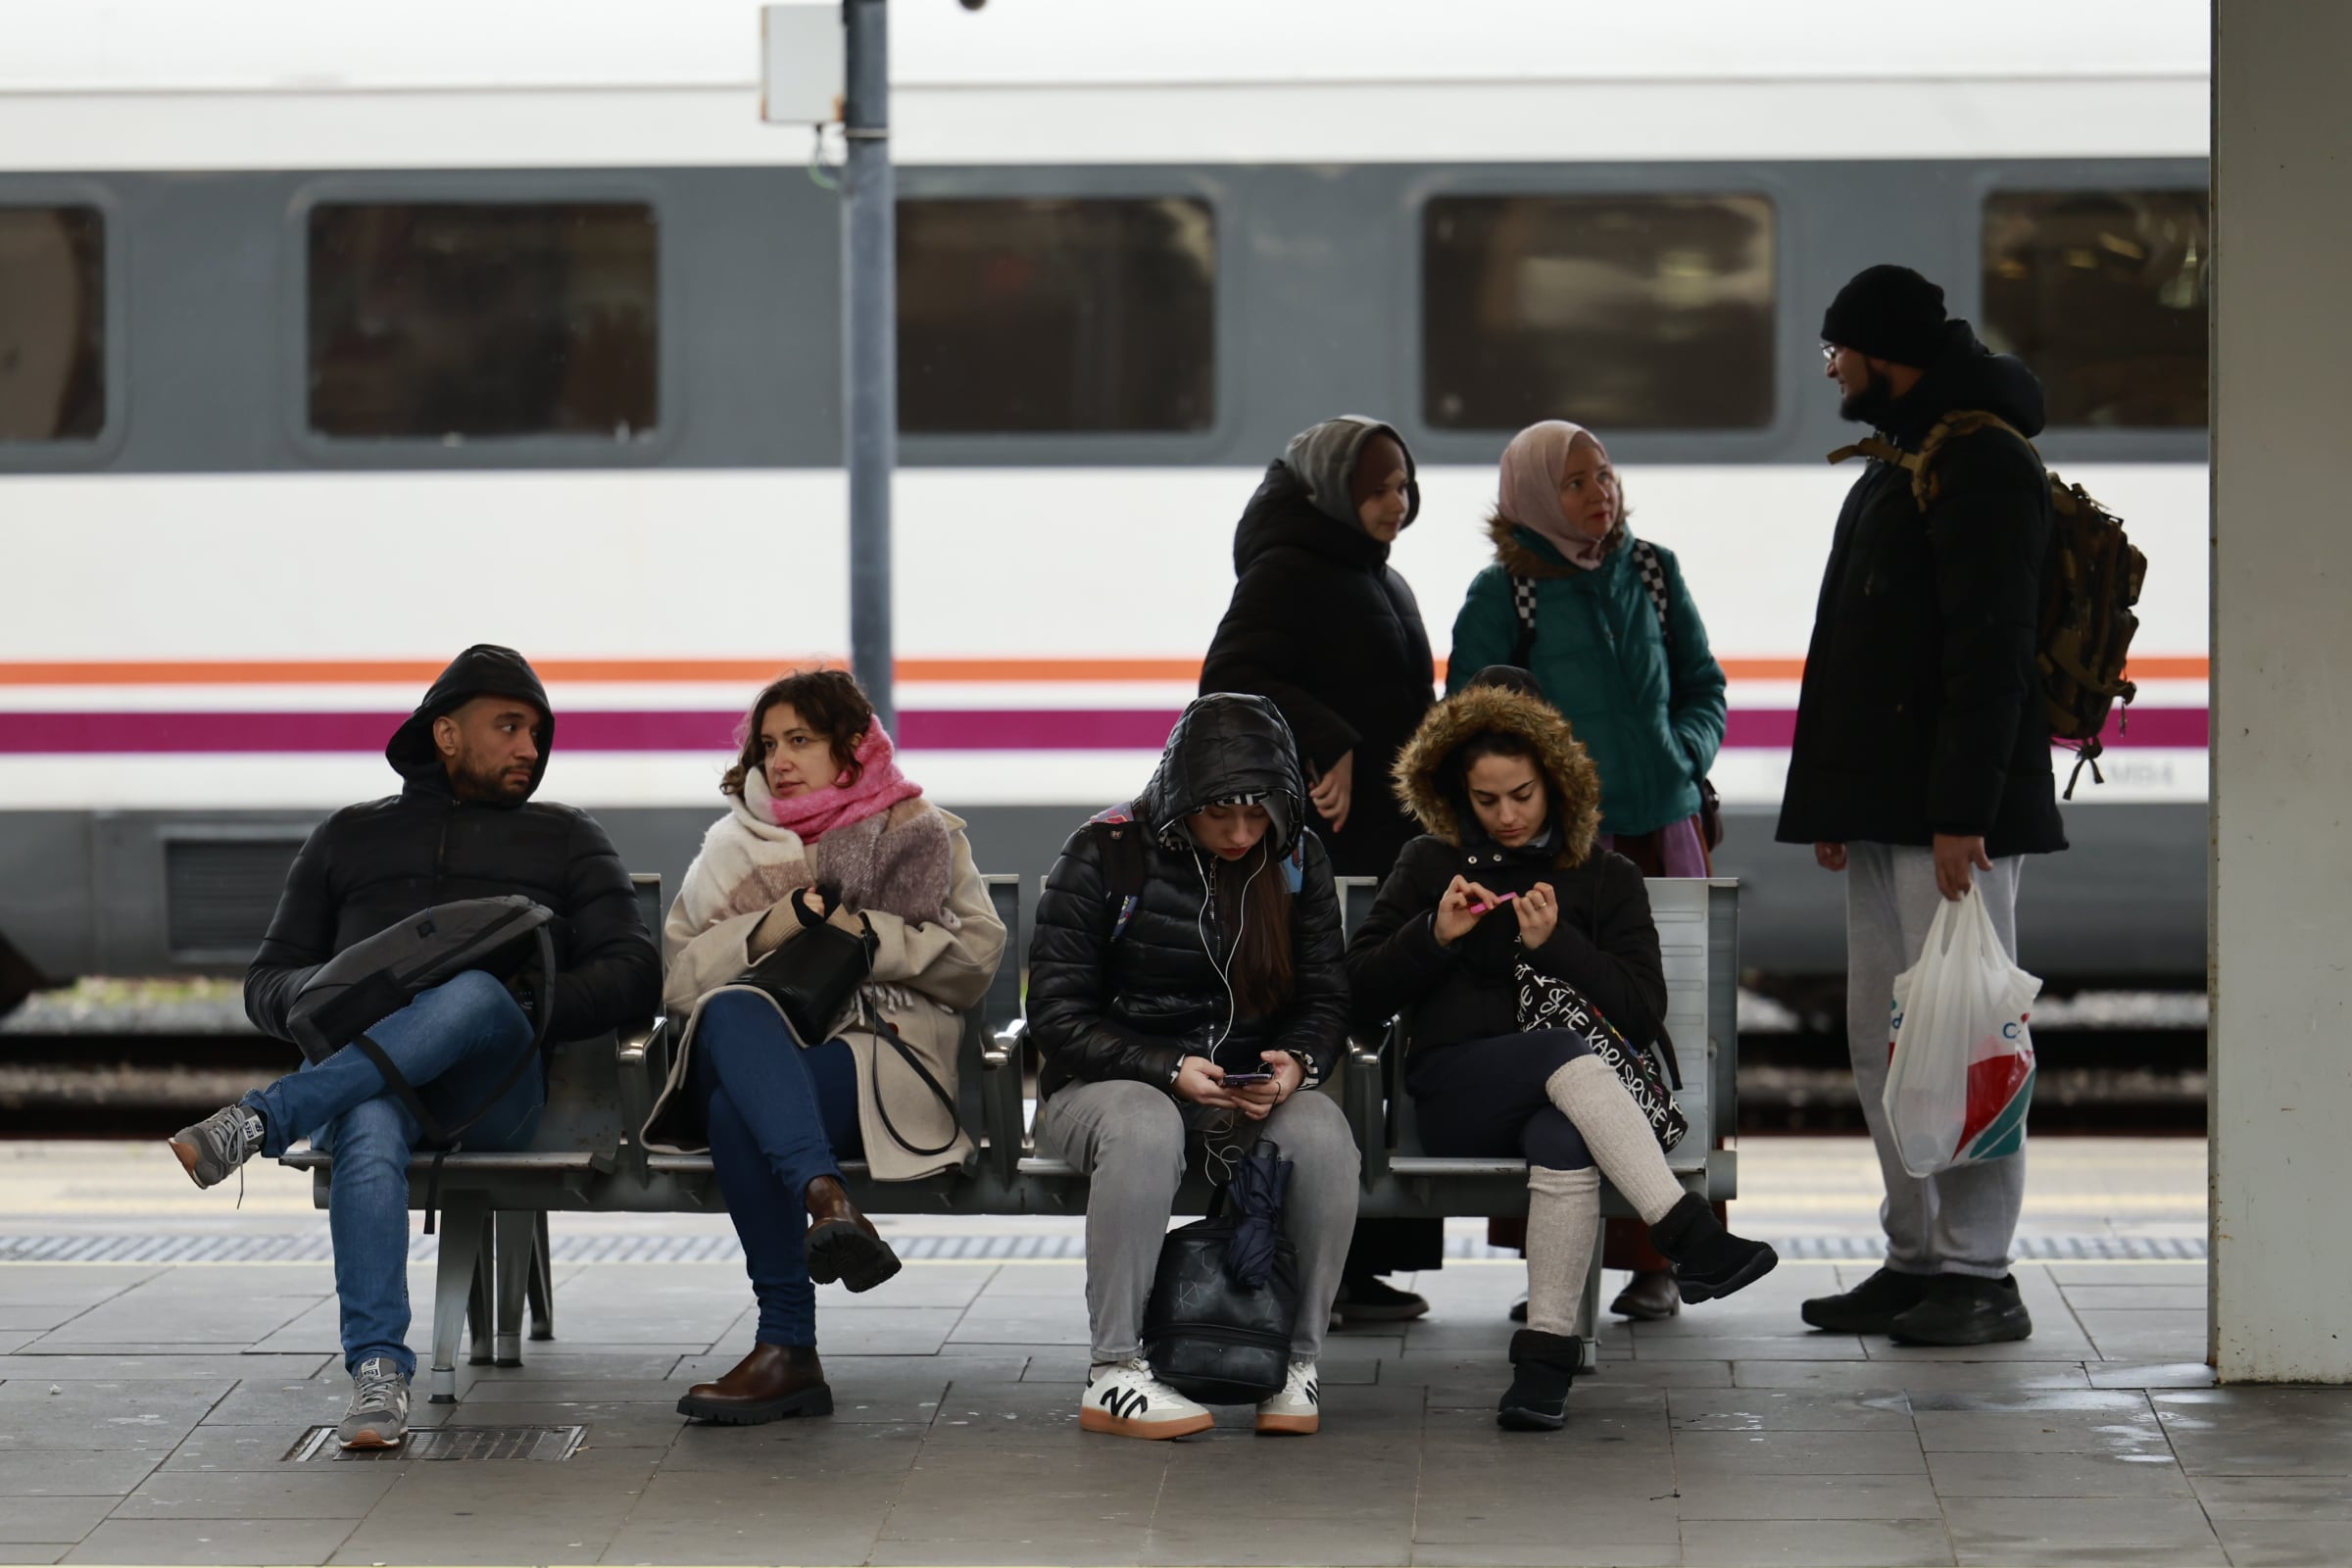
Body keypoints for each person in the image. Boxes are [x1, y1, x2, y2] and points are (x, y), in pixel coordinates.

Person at [169, 645, 660, 1449]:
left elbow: (634, 974)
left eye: (538, 733)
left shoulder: (566, 838)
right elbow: (269, 980)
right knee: (365, 1117)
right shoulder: (348, 839)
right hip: (376, 1090)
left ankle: (262, 1120)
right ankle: (378, 1375)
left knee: (468, 994)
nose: (530, 749)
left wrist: (527, 1004)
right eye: (509, 727)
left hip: (495, 1094)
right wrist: (332, 998)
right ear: (446, 734)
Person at [1346, 671, 1776, 1429]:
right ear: (1458, 793)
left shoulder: (1605, 877)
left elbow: (1643, 1015)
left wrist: (1562, 946)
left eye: (1522, 795)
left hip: (1569, 1100)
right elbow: (1360, 996)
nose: (1506, 816)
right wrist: (1434, 935)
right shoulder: (1427, 863)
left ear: (1555, 782)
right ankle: (1687, 1231)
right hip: (1455, 1097)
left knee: (1566, 1137)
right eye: (1486, 800)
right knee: (1559, 1052)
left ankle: (1543, 1366)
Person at [1781, 264, 2066, 1347]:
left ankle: (1978, 1268)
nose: (1830, 369)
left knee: (1970, 1037)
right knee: (1887, 1037)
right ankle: (1914, 1254)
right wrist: (1841, 805)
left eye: (1837, 351)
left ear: (1882, 352)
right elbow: (1866, 647)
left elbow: (1988, 658)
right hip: (1891, 811)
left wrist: (1962, 813)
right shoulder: (1909, 458)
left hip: (1957, 822)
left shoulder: (1981, 463)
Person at [644, 669, 1006, 1424]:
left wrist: (867, 938)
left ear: (851, 746)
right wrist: (774, 926)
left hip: (876, 1059)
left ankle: (788, 1349)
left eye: (799, 740)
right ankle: (828, 1200)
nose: (777, 759)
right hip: (761, 1045)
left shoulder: (919, 830)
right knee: (734, 1012)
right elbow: (680, 981)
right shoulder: (730, 851)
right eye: (767, 744)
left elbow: (974, 964)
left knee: (735, 1114)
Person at [1444, 419, 1730, 1323]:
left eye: (1603, 473)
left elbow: (1702, 685)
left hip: (1665, 839)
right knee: (1566, 1040)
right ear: (1532, 495)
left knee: (1664, 1034)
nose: (1598, 492)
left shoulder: (1653, 570)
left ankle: (1658, 1257)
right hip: (1565, 859)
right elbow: (1471, 717)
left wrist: (1682, 755)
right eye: (1573, 482)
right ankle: (1558, 1274)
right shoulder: (1505, 593)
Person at [1027, 693, 1358, 1439]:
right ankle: (1113, 1371)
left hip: (1242, 1091)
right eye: (1221, 817)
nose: (1243, 835)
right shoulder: (1105, 850)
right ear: (1183, 802)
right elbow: (1055, 1014)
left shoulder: (1295, 852)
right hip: (1104, 1090)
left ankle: (1295, 1364)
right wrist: (1165, 1066)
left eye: (1258, 814)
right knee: (1145, 1124)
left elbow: (1327, 995)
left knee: (1324, 1134)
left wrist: (1297, 1067)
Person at [1200, 414, 1441, 1327]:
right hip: (1319, 860)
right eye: (1379, 487)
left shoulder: (1382, 579)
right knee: (1320, 1049)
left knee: (1376, 1049)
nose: (1397, 502)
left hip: (1386, 851)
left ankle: (1361, 1263)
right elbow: (1230, 680)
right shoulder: (1287, 569)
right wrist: (1328, 740)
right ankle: (1302, 1261)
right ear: (1334, 488)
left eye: (1405, 486)